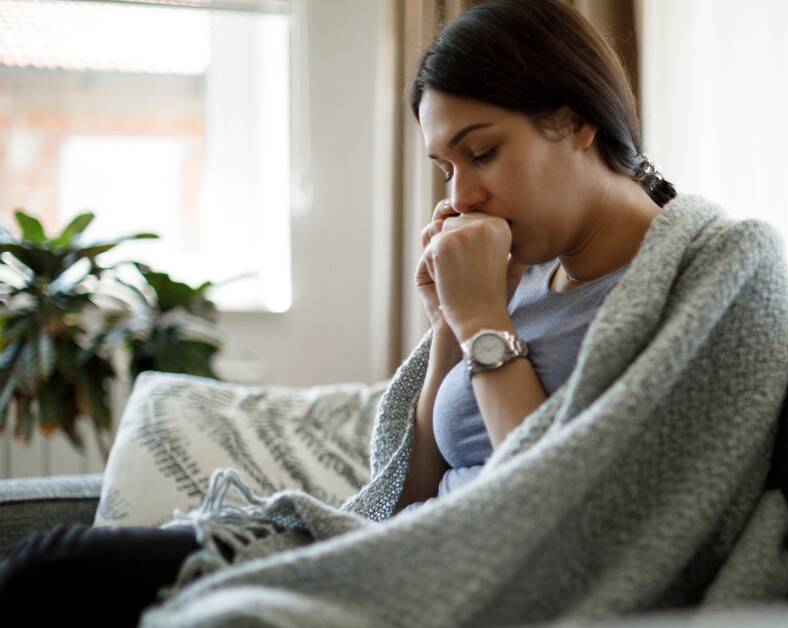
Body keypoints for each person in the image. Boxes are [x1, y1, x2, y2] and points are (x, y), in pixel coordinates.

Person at [0, 0, 679, 624]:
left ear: (575, 118)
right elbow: (409, 492)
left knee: (53, 575)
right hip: (395, 549)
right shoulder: (531, 272)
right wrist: (452, 319)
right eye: (447, 168)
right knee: (44, 563)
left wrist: (483, 324)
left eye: (482, 153)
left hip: (455, 582)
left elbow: (554, 507)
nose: (463, 195)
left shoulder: (673, 286)